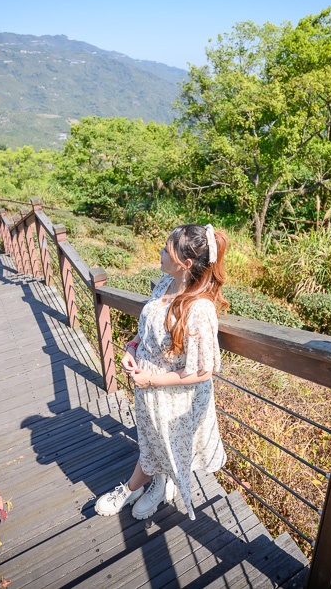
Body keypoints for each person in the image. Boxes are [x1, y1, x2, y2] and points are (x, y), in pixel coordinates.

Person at [95, 223, 229, 520]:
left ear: (186, 263)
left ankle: (130, 489)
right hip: (148, 388)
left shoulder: (199, 308)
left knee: (158, 445)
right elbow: (149, 329)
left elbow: (204, 371)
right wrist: (132, 346)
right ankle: (159, 483)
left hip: (173, 396)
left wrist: (151, 379)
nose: (159, 252)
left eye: (166, 250)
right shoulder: (163, 284)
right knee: (152, 441)